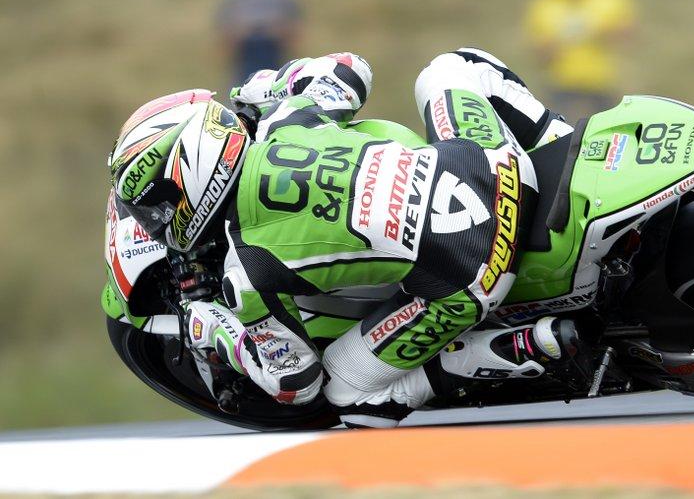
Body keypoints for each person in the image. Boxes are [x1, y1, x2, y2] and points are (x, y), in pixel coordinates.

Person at [107, 48, 580, 428]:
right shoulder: (288, 119)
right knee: (452, 66)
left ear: (191, 177)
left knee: (349, 395)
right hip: (492, 164)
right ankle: (563, 151)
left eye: (156, 209)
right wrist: (273, 85)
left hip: (478, 268)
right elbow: (352, 69)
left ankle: (522, 347)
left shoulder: (245, 270)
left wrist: (213, 326)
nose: (156, 223)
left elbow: (295, 381)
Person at [524, 0, 637, 120]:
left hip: (601, 80)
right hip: (561, 82)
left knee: (610, 129)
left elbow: (627, 32)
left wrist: (596, 30)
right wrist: (561, 40)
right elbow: (539, 52)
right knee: (560, 132)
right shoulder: (545, 4)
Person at [215, 0, 303, 85]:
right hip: (244, 69)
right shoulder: (232, 3)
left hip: (276, 66)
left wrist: (273, 32)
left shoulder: (281, 1)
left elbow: (295, 36)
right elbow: (224, 43)